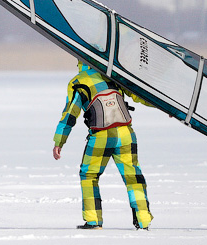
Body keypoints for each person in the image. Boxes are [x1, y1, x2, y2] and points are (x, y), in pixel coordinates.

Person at [53, 62, 153, 230]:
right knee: (133, 176)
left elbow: (70, 114)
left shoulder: (79, 82)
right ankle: (143, 221)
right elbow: (139, 95)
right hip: (126, 134)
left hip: (101, 135)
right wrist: (168, 109)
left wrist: (59, 141)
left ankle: (93, 221)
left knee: (89, 175)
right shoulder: (112, 75)